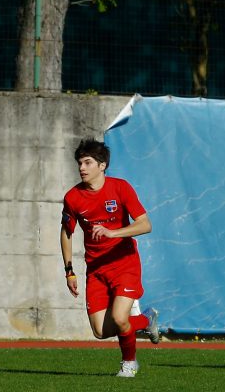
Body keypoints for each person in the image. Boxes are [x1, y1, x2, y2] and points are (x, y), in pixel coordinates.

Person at [60, 138, 159, 378]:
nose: (82, 168)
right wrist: (69, 270)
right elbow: (66, 232)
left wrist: (113, 232)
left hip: (124, 264)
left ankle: (129, 364)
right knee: (100, 331)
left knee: (119, 317)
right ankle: (146, 321)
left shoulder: (121, 188)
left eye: (87, 162)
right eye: (79, 163)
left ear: (102, 165)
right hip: (96, 269)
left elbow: (145, 225)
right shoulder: (73, 197)